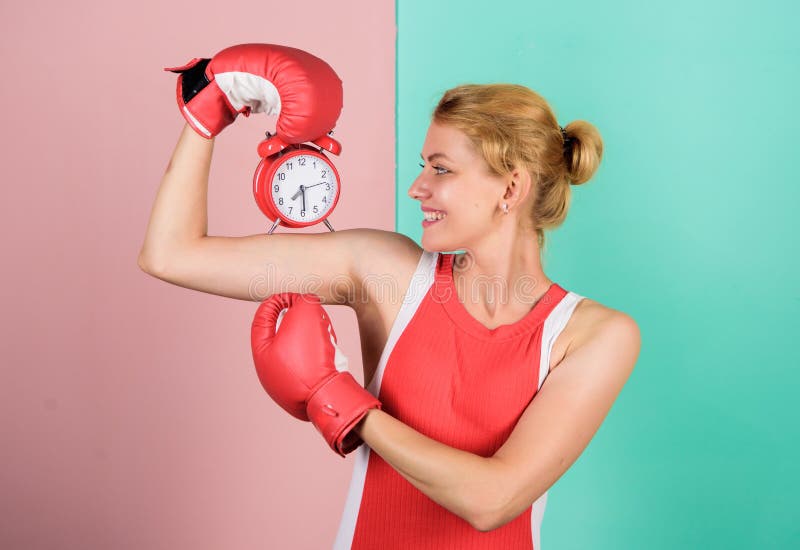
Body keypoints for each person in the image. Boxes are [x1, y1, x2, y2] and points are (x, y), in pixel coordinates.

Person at [140, 77, 640, 548]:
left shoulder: (591, 335)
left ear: (511, 189)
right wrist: (207, 112)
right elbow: (171, 254)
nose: (417, 188)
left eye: (441, 169)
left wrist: (339, 402)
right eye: (423, 165)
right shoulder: (386, 275)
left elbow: (492, 499)